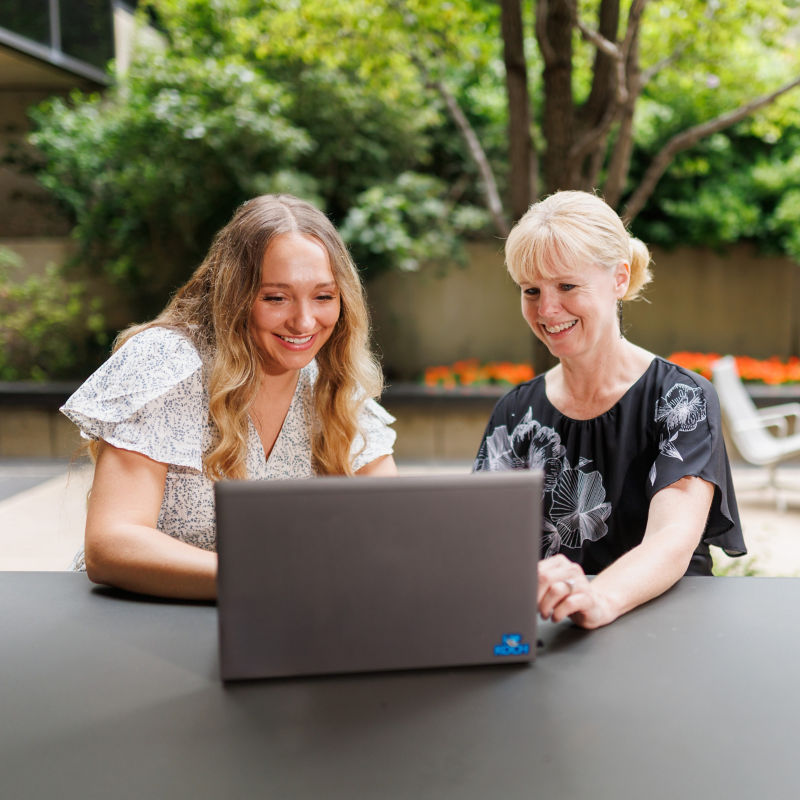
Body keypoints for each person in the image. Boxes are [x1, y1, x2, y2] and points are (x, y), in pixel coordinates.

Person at [62, 194, 397, 600]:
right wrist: (269, 580)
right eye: (276, 297)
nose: (305, 321)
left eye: (324, 297)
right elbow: (111, 544)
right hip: (145, 623)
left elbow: (392, 526)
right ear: (235, 294)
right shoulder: (166, 362)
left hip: (279, 627)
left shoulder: (334, 380)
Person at [474, 190, 745, 630]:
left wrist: (596, 599)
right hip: (553, 635)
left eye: (566, 286)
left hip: (666, 632)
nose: (546, 309)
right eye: (531, 290)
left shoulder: (681, 397)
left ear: (619, 279)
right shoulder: (515, 411)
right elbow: (485, 542)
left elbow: (672, 538)